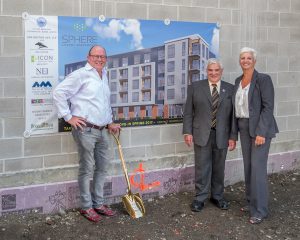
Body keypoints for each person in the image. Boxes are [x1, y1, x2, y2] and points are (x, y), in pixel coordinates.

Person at [53, 45, 120, 222]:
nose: (99, 59)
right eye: (96, 56)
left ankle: (98, 203)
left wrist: (110, 122)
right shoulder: (81, 74)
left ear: (106, 58)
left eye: (103, 56)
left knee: (102, 167)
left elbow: (104, 103)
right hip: (85, 130)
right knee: (87, 168)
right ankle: (86, 207)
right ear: (88, 57)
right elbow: (59, 92)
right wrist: (68, 117)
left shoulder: (104, 75)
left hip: (102, 130)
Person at [183, 58, 237, 212]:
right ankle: (200, 197)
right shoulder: (195, 87)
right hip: (201, 134)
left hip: (222, 135)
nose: (213, 73)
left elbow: (233, 115)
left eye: (216, 70)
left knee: (219, 168)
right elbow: (188, 112)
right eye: (210, 70)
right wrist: (187, 131)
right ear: (206, 71)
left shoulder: (230, 89)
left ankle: (218, 196)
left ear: (221, 71)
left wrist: (233, 136)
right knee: (202, 168)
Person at [233, 47, 279, 224]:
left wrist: (261, 132)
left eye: (249, 58)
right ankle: (251, 202)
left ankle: (260, 210)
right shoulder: (238, 80)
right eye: (242, 58)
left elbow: (268, 107)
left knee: (258, 169)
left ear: (254, 61)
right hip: (244, 128)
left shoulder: (263, 79)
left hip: (261, 129)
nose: (245, 60)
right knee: (248, 167)